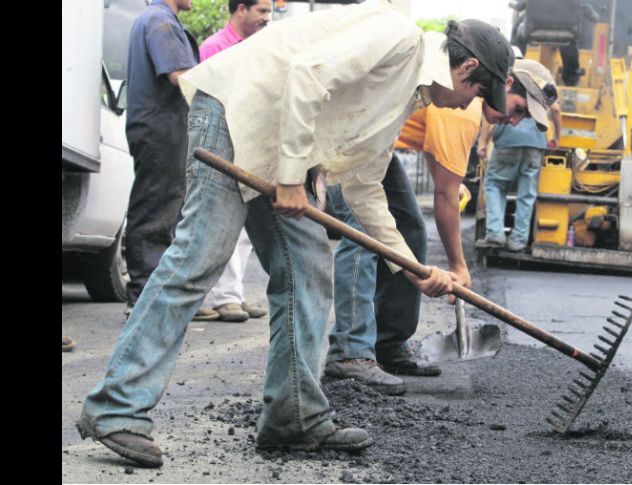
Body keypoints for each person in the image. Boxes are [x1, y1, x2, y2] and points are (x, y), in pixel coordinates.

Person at [76, 0, 514, 467]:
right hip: (237, 116)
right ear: (467, 67)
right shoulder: (398, 37)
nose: (472, 105)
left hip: (279, 143)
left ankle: (293, 416)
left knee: (307, 268)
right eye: (477, 94)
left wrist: (411, 267)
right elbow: (307, 75)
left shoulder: (406, 95)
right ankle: (116, 407)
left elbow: (365, 186)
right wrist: (289, 178)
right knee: (196, 260)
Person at [324, 94, 486, 395]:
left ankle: (388, 341)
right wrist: (458, 266)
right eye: (518, 109)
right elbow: (444, 196)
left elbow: (433, 152)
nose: (515, 120)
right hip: (350, 134)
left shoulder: (465, 108)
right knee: (362, 232)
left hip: (375, 139)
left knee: (409, 227)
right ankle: (349, 352)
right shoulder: (466, 112)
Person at [192, 0, 273, 323]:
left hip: (250, 141)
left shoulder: (259, 47)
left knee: (244, 229)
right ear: (241, 9)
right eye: (262, 11)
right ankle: (222, 298)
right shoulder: (215, 47)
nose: (267, 18)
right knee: (220, 223)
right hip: (222, 145)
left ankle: (232, 295)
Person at [122, 0, 199, 319]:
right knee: (156, 207)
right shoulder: (160, 21)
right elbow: (181, 75)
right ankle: (145, 300)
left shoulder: (157, 19)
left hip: (162, 125)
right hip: (160, 127)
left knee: (163, 206)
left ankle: (152, 297)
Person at [476, 59, 561, 252]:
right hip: (536, 143)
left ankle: (495, 233)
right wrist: (556, 136)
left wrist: (482, 143)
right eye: (519, 110)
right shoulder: (538, 86)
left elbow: (490, 119)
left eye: (526, 113)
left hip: (507, 142)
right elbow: (555, 109)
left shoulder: (506, 95)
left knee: (495, 184)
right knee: (527, 194)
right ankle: (518, 240)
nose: (513, 121)